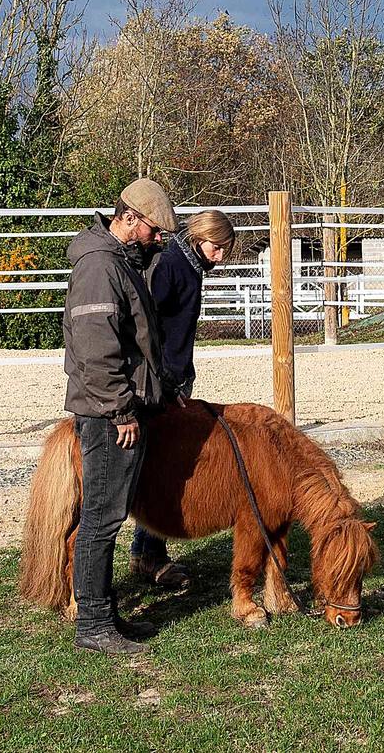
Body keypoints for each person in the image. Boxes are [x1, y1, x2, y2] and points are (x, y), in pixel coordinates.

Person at [63, 178, 177, 655]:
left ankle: (101, 613)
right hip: (108, 415)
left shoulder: (117, 262)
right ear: (129, 217)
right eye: (153, 231)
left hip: (115, 408)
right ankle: (93, 623)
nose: (157, 240)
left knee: (106, 512)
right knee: (102, 516)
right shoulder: (99, 269)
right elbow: (96, 348)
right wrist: (121, 409)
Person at [128, 209, 236, 581]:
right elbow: (148, 323)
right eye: (216, 246)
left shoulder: (189, 267)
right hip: (163, 381)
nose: (220, 255)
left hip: (174, 377)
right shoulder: (174, 266)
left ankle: (146, 552)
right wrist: (164, 379)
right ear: (199, 236)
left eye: (225, 249)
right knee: (162, 465)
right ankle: (150, 555)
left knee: (159, 462)